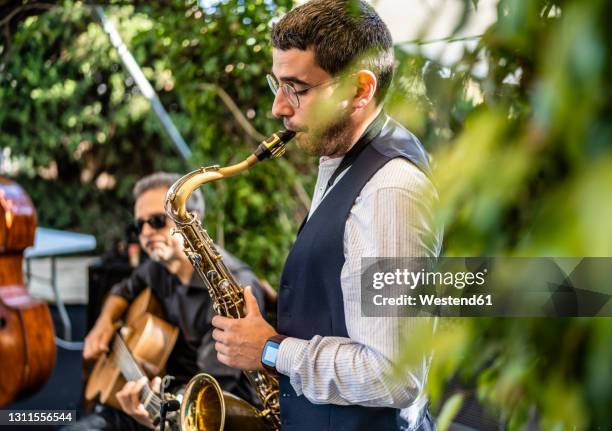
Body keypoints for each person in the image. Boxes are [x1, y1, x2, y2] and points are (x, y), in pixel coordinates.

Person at [211, 1, 442, 430]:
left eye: (297, 88)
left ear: (359, 90)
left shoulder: (391, 192)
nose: (279, 107)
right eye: (276, 84)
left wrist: (271, 350)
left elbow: (395, 375)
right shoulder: (343, 155)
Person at [68, 172, 265, 431]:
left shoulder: (228, 290)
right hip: (155, 397)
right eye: (140, 226)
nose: (147, 232)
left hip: (205, 416)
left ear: (190, 220)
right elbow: (122, 289)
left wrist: (155, 409)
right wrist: (104, 324)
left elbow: (212, 393)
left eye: (158, 221)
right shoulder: (158, 268)